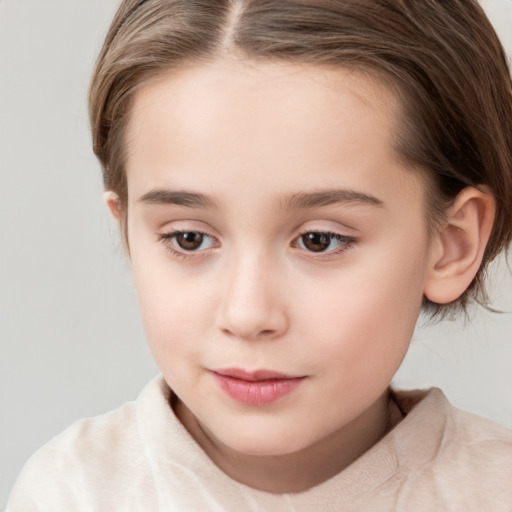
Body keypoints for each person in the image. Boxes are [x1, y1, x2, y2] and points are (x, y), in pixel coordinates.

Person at [7, 0, 512, 510]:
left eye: (319, 240)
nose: (248, 315)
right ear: (130, 238)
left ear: (452, 243)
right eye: (189, 238)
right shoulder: (71, 494)